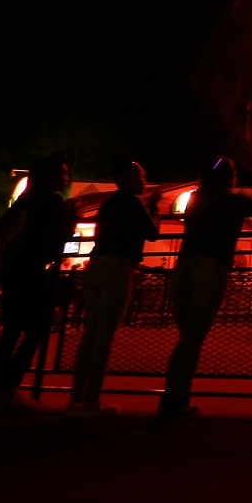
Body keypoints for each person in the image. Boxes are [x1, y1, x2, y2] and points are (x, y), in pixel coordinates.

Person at [158, 157, 252, 418]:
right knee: (193, 338)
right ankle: (175, 399)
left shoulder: (195, 199)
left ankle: (170, 395)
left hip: (184, 267)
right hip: (212, 267)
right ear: (229, 177)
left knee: (185, 337)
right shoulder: (231, 200)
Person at [65, 152, 161, 418]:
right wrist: (154, 208)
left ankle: (75, 400)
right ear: (131, 180)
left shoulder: (109, 204)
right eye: (141, 176)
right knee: (104, 338)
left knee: (89, 335)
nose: (144, 180)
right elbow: (153, 233)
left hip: (95, 265)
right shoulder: (134, 201)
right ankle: (92, 401)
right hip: (119, 267)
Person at [0, 153, 76, 414]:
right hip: (32, 272)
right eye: (64, 174)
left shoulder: (24, 201)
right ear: (55, 178)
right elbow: (53, 245)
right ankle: (8, 389)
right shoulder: (52, 203)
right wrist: (70, 221)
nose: (66, 179)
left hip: (10, 272)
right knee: (38, 326)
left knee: (11, 331)